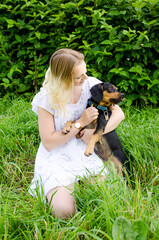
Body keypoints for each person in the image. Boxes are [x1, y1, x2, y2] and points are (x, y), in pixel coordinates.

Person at [29, 48, 125, 219]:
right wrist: (80, 122)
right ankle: (65, 188)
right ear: (63, 78)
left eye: (85, 72)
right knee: (64, 211)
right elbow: (49, 142)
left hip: (85, 150)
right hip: (57, 155)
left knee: (107, 197)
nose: (85, 78)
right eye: (79, 77)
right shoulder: (47, 98)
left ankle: (81, 183)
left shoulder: (90, 85)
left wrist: (95, 133)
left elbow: (118, 114)